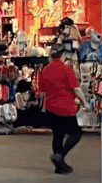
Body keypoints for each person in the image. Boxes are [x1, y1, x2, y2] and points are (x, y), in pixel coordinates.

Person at [38, 43, 90, 174]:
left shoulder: (44, 70)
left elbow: (42, 91)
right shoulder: (67, 69)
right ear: (63, 55)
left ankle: (59, 166)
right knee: (76, 133)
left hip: (51, 107)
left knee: (58, 135)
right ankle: (60, 155)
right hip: (66, 107)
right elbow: (76, 89)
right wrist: (85, 103)